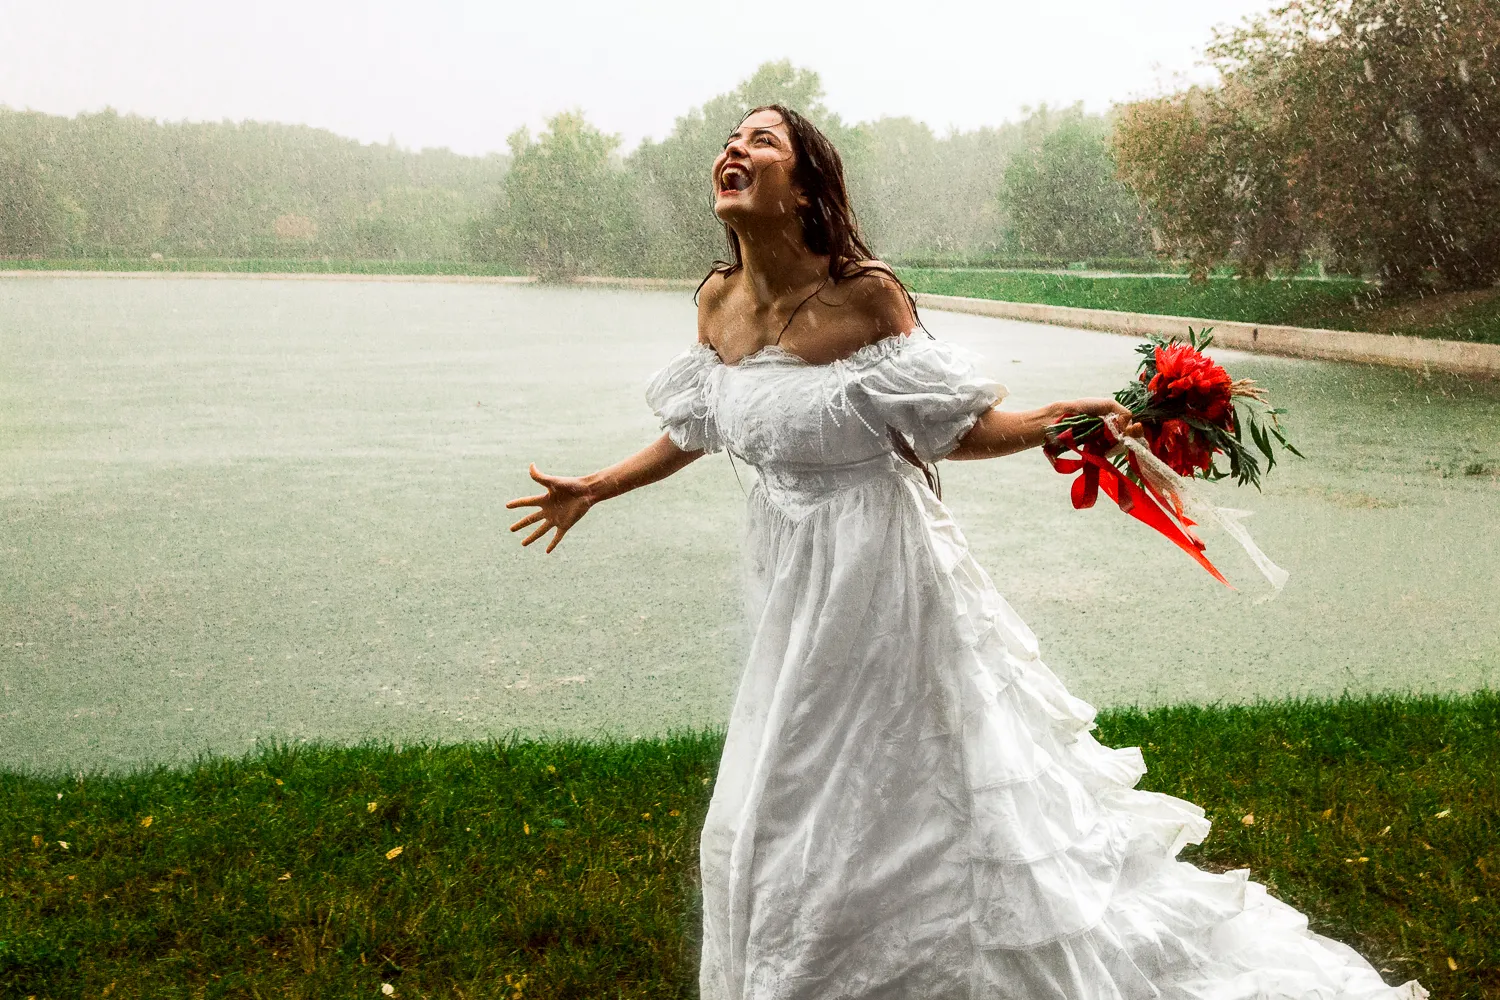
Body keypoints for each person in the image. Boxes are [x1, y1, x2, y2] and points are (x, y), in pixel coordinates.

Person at [505, 105, 1427, 1000]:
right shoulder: (717, 305)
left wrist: (1062, 416)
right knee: (779, 793)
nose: (735, 148)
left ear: (806, 188)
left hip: (884, 576)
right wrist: (595, 486)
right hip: (788, 582)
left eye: (763, 140)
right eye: (730, 139)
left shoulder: (868, 297)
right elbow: (701, 425)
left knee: (881, 789)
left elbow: (958, 429)